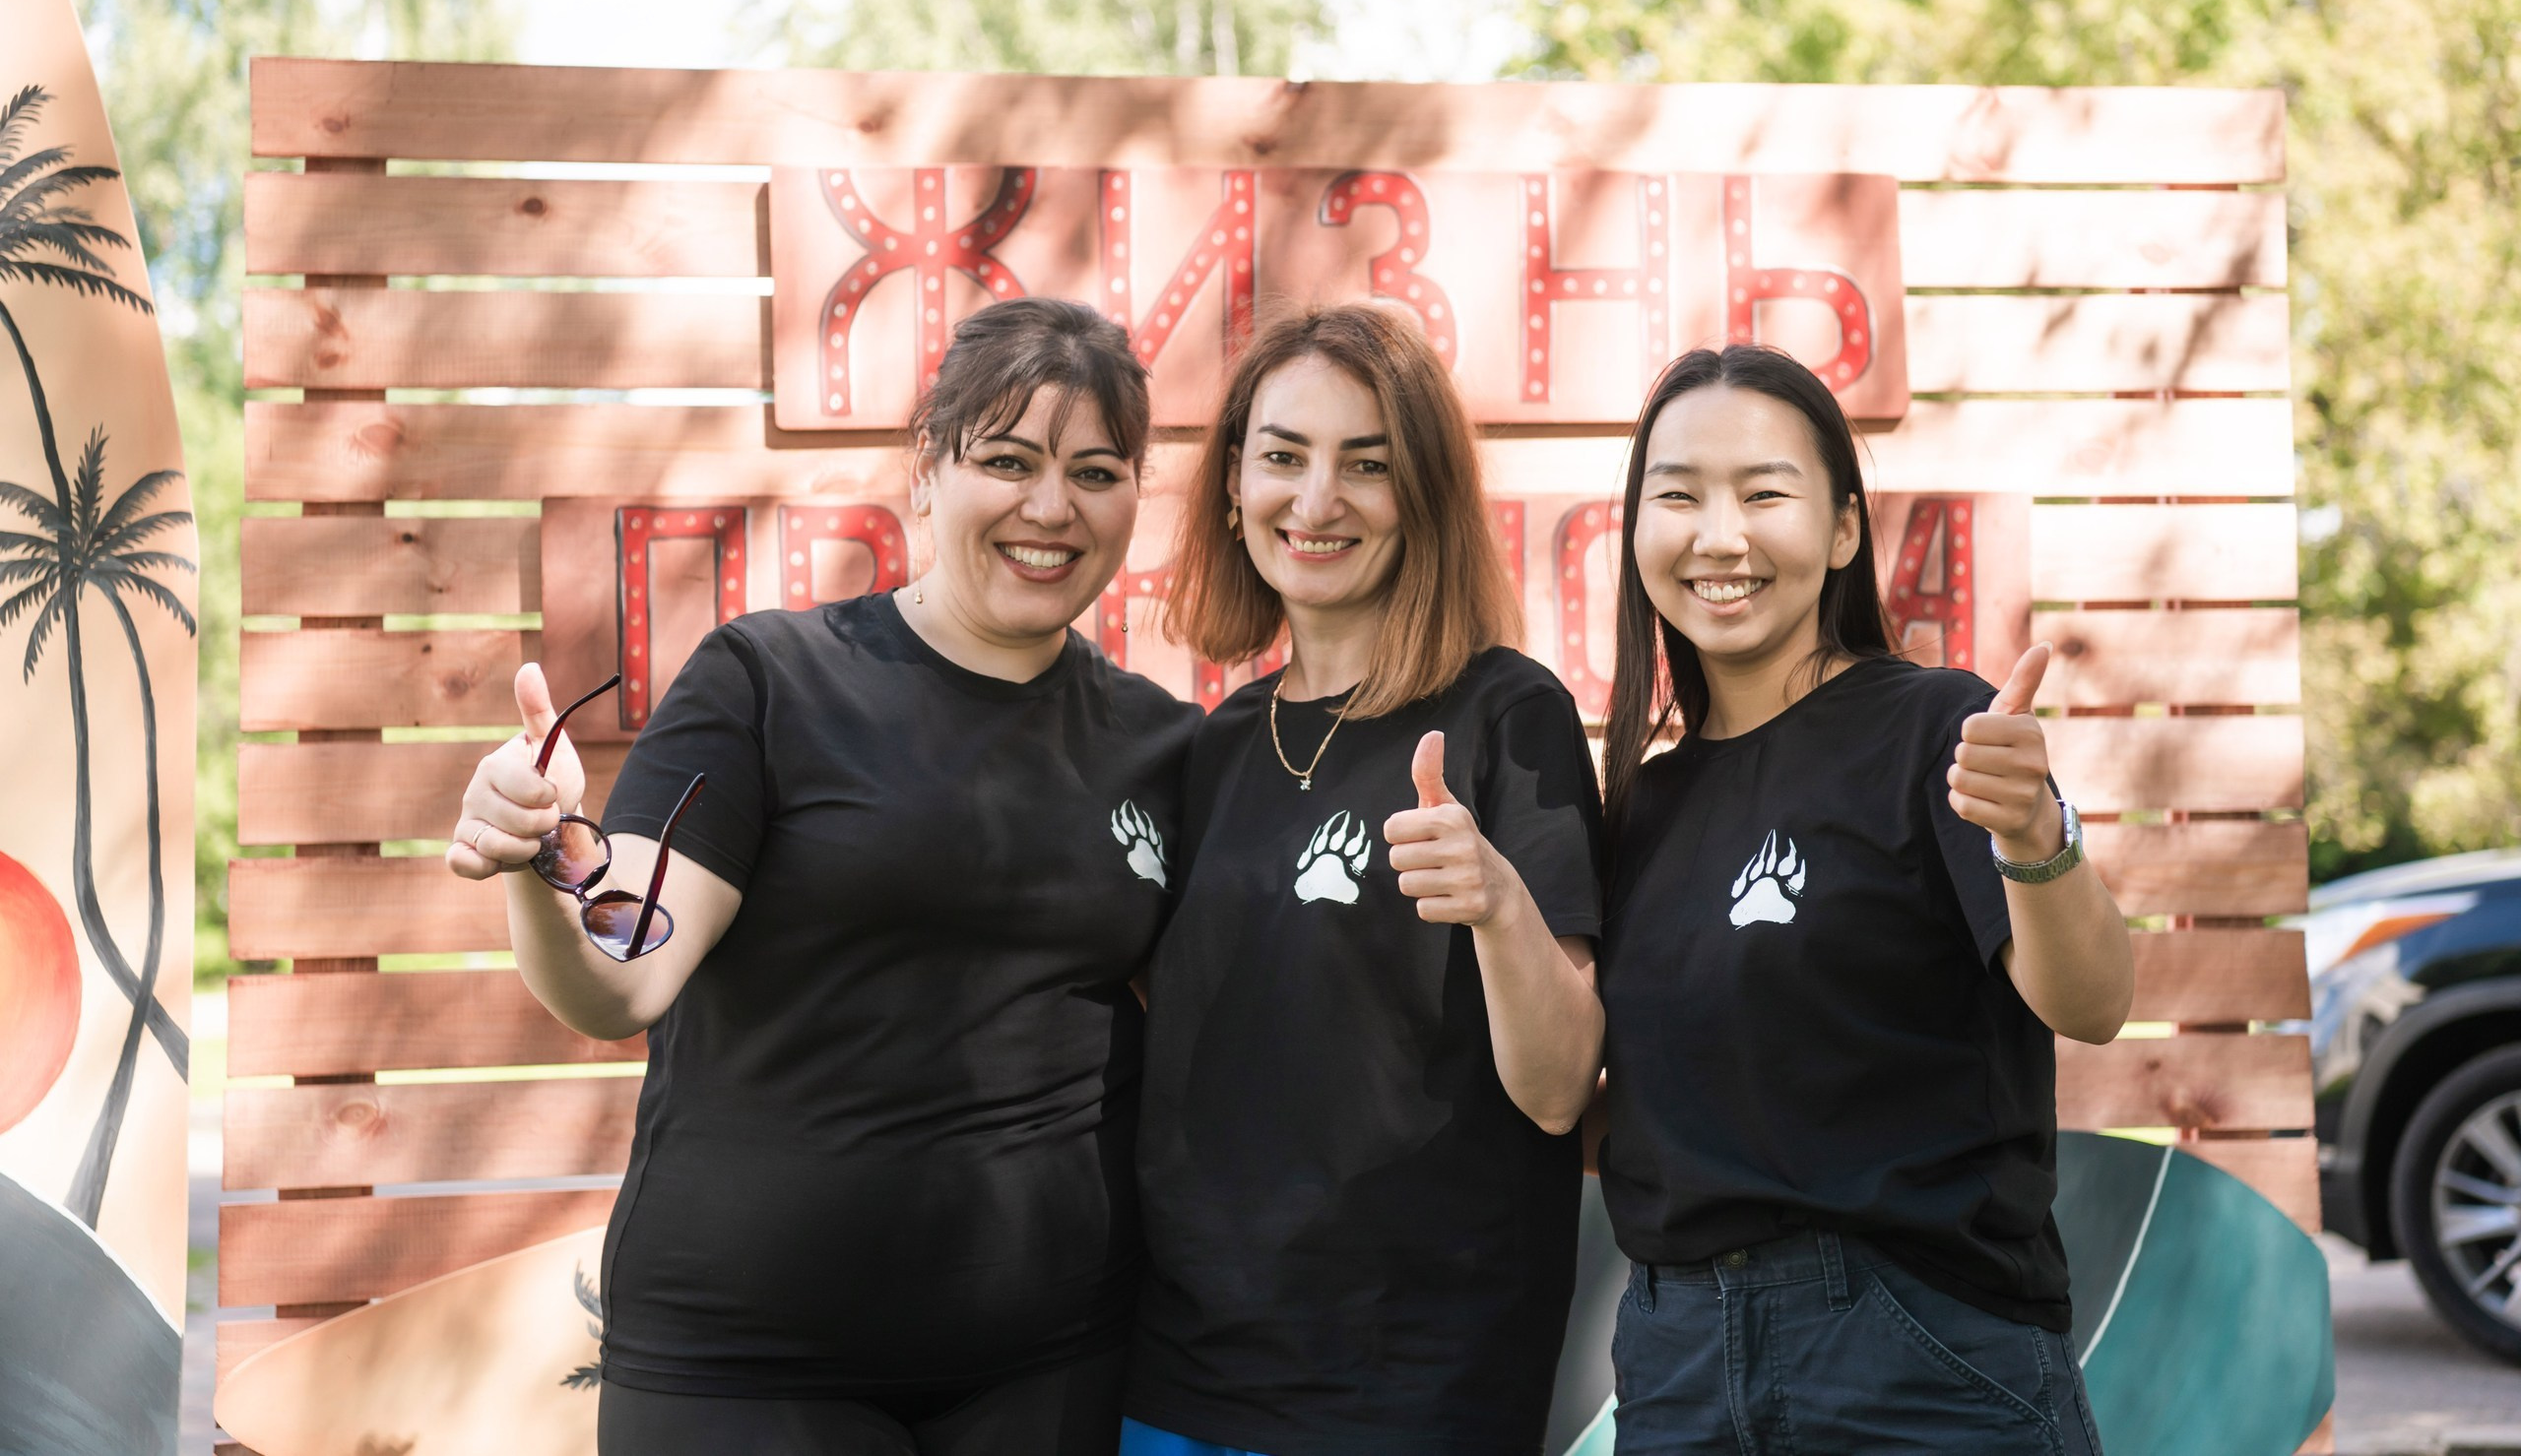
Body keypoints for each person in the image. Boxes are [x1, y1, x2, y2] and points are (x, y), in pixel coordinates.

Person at [446, 299, 1201, 1456]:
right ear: (927, 470)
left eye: (1094, 472)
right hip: (743, 1370)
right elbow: (623, 975)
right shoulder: (769, 681)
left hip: (1054, 1367)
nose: (1051, 507)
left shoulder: (1158, 742)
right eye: (1007, 460)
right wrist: (540, 860)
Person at [1592, 344, 2134, 1454]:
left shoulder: (1936, 730)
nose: (1719, 536)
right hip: (1676, 1362)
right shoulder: (1640, 805)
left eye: (1763, 494)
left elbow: (2092, 1000)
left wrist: (2034, 836)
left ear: (1843, 528)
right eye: (1678, 495)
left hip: (1917, 1353)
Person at [1123, 302, 1608, 1456]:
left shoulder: (1507, 714)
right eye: (1283, 455)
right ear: (1234, 482)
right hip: (1175, 1373)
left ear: (1423, 493)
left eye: (1366, 463)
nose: (1316, 498)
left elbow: (1558, 1088)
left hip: (1408, 1385)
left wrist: (1496, 901)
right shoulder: (1211, 747)